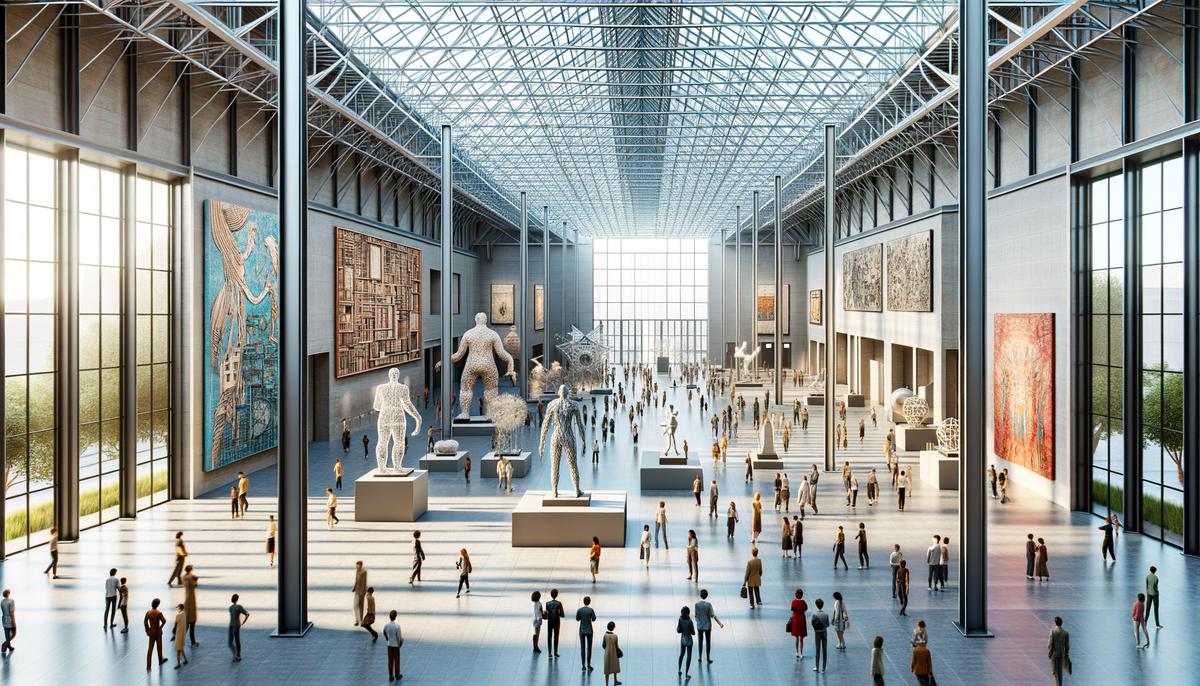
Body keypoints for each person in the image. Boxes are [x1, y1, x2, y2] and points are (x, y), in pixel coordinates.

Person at [694, 589, 723, 664]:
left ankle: (700, 657)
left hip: (700, 626)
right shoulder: (708, 605)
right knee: (708, 642)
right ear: (706, 596)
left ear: (700, 595)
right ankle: (708, 658)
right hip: (707, 626)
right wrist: (720, 623)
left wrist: (698, 621)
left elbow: (696, 615)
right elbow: (713, 615)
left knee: (700, 642)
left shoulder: (696, 605)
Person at [144, 598, 168, 669]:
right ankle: (160, 659)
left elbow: (145, 621)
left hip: (151, 632)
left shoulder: (148, 612)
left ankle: (148, 665)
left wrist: (147, 630)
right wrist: (160, 627)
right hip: (158, 632)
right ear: (157, 605)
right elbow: (164, 621)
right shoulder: (159, 613)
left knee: (150, 648)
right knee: (159, 647)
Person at [576, 596, 597, 671]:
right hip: (589, 631)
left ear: (583, 601)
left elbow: (577, 619)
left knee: (582, 647)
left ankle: (583, 666)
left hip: (582, 630)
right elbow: (594, 619)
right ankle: (588, 665)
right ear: (589, 602)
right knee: (589, 648)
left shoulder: (580, 610)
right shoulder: (591, 610)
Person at [1048, 616, 1070, 686]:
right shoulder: (1065, 633)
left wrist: (1049, 654)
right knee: (1060, 673)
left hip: (1054, 655)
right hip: (1061, 655)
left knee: (1054, 673)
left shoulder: (1052, 632)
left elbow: (1050, 644)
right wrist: (1066, 654)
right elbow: (1067, 646)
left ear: (1055, 623)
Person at [383, 610, 403, 681]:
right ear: (395, 617)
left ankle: (390, 675)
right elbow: (399, 637)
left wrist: (387, 639)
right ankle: (397, 675)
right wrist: (400, 644)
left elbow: (384, 632)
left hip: (389, 645)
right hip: (396, 646)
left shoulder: (386, 625)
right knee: (397, 660)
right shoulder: (397, 626)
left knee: (390, 660)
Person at [227, 593, 249, 660]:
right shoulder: (231, 607)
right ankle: (237, 654)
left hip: (235, 625)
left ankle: (237, 655)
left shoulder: (236, 607)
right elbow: (247, 614)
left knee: (233, 641)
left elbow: (247, 614)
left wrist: (244, 621)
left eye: (233, 598)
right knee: (235, 640)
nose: (232, 599)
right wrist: (244, 621)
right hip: (233, 625)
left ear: (235, 599)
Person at [810, 598, 829, 673]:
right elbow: (827, 625)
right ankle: (823, 668)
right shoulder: (826, 614)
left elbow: (812, 624)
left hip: (817, 633)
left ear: (816, 605)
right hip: (824, 632)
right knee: (824, 649)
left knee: (817, 649)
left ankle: (817, 667)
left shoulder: (814, 614)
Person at [182, 565, 199, 646]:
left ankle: (180, 639)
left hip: (187, 599)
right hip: (191, 601)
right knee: (192, 623)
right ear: (190, 569)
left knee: (186, 624)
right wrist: (195, 580)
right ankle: (193, 642)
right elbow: (194, 585)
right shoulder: (190, 578)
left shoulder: (184, 577)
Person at [676, 606, 696, 677]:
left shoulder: (680, 619)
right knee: (689, 656)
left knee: (681, 654)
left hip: (683, 639)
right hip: (689, 641)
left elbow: (678, 630)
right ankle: (686, 673)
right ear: (688, 613)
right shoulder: (690, 621)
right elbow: (693, 633)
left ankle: (679, 670)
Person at [545, 588, 565, 657]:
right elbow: (562, 615)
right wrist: (559, 613)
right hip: (557, 621)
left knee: (549, 636)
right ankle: (555, 652)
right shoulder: (559, 604)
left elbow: (546, 613)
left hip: (550, 621)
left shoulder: (547, 604)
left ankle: (549, 653)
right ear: (557, 595)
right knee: (556, 636)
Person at [789, 588, 808, 658]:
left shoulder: (793, 602)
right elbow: (806, 609)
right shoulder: (804, 602)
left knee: (796, 637)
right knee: (801, 638)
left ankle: (796, 652)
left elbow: (792, 609)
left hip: (795, 619)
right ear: (802, 595)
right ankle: (801, 653)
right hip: (802, 619)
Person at [602, 621, 622, 686]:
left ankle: (606, 684)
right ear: (613, 628)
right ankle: (615, 681)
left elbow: (603, 645)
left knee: (607, 669)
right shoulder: (615, 636)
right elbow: (617, 646)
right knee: (615, 667)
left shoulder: (605, 635)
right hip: (614, 654)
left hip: (607, 654)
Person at [171, 603, 189, 669]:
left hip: (178, 634)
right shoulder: (184, 614)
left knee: (178, 648)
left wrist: (173, 634)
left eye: (177, 608)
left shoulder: (178, 615)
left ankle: (178, 664)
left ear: (179, 608)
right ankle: (185, 660)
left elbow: (175, 625)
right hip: (183, 633)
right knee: (181, 647)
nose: (177, 609)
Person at [0, 590, 14, 655]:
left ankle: (9, 646)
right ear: (8, 594)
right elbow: (12, 613)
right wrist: (14, 622)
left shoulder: (2, 602)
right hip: (10, 620)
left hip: (4, 619)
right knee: (13, 633)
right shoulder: (11, 601)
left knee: (7, 634)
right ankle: (4, 645)